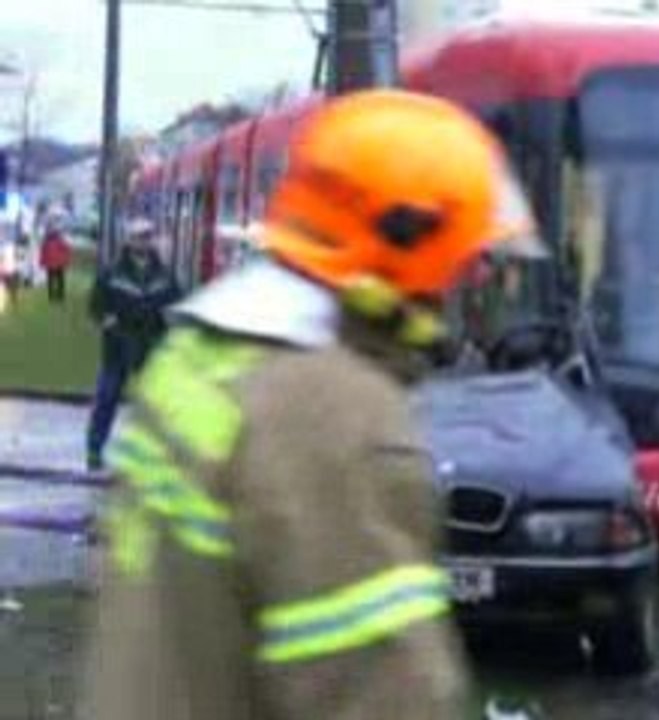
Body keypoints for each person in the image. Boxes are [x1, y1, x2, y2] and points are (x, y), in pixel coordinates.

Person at [83, 89, 541, 720]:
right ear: (409, 244)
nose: (477, 278)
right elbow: (383, 695)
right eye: (468, 256)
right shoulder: (339, 418)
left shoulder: (199, 355)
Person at [85, 220, 180, 470]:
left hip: (150, 348)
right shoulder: (111, 273)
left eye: (147, 237)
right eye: (139, 237)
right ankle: (94, 449)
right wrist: (108, 322)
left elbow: (175, 306)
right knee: (107, 398)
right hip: (117, 348)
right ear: (129, 241)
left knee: (154, 406)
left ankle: (151, 454)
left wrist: (167, 329)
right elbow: (95, 306)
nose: (144, 242)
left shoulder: (165, 276)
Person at [39, 224, 72, 303]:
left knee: (51, 280)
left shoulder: (46, 242)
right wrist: (66, 261)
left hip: (51, 264)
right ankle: (59, 296)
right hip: (59, 264)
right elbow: (67, 250)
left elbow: (42, 253)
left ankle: (52, 296)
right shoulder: (60, 241)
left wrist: (42, 263)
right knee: (59, 280)